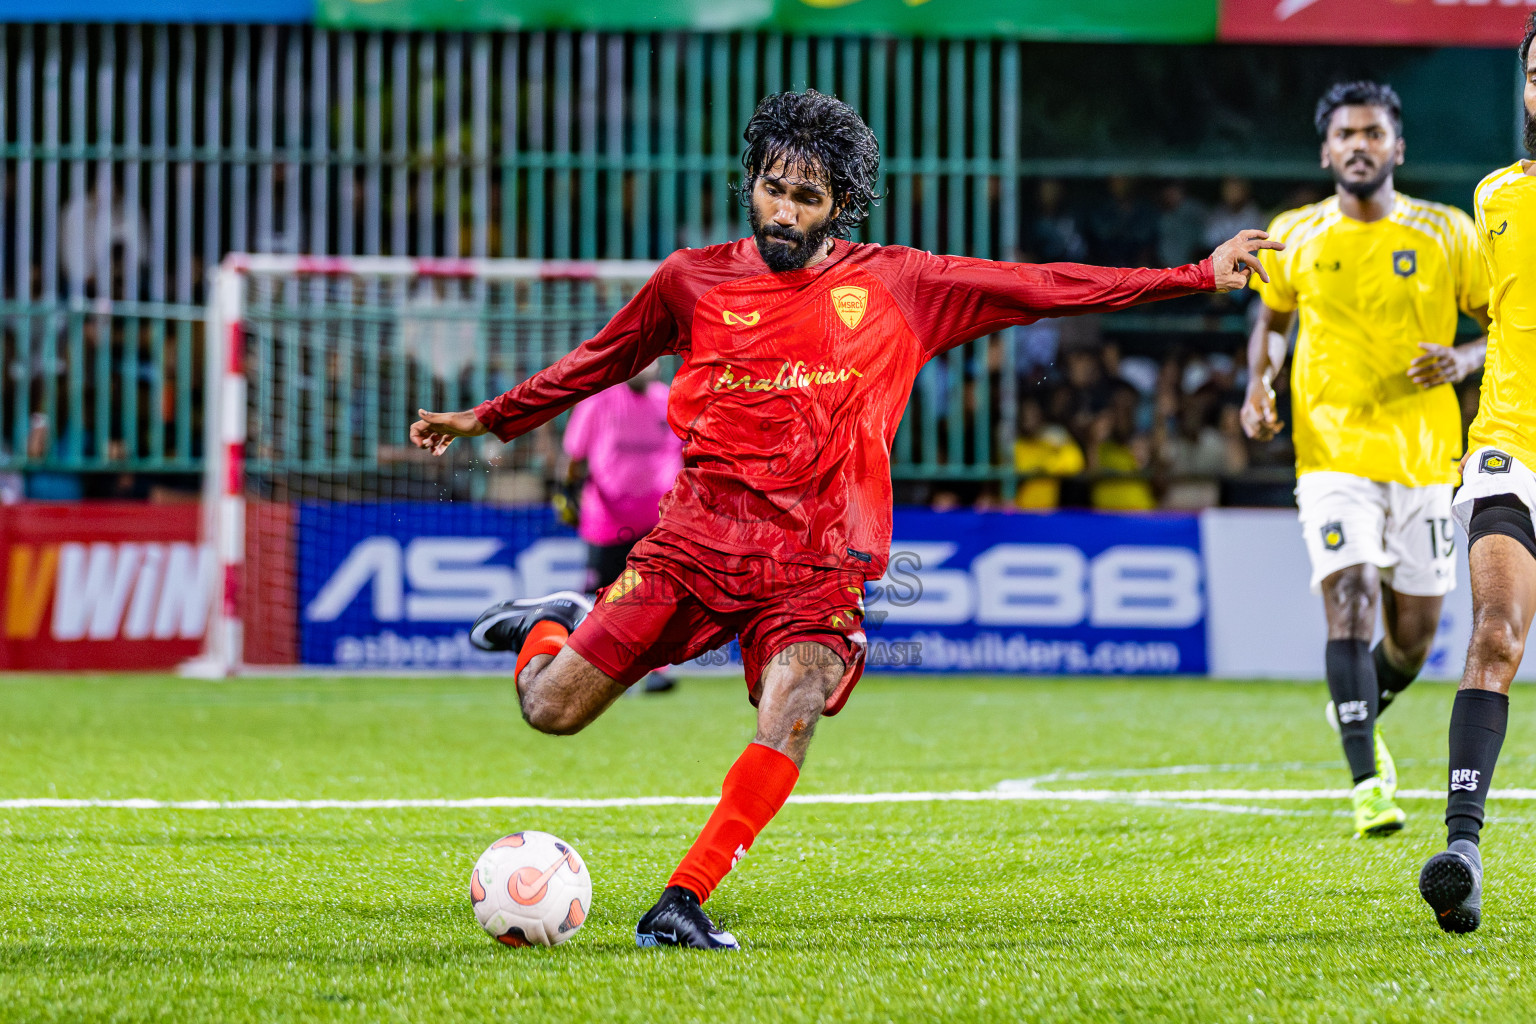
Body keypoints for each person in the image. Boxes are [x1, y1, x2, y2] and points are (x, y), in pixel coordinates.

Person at [410, 89, 1278, 950]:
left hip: (819, 561)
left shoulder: (902, 284)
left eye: (807, 197)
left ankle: (682, 900)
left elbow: (1043, 287)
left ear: (843, 205)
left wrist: (1194, 276)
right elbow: (597, 361)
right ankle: (558, 621)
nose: (784, 213)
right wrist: (489, 418)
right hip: (694, 542)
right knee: (549, 709)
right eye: (772, 190)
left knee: (796, 706)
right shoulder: (690, 280)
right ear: (751, 184)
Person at [1241, 81, 1489, 839]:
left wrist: (1462, 359)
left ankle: (1355, 703)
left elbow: (1508, 324)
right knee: (1348, 596)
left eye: (1373, 133)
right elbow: (1272, 323)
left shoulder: (1448, 232)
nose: (1359, 145)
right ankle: (1366, 783)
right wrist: (1259, 384)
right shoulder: (1295, 233)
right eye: (1345, 134)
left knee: (1413, 642)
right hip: (1331, 454)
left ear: (1397, 147)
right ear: (1326, 151)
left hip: (1425, 458)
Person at [1416, 14, 1536, 934]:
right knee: (1495, 633)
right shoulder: (1496, 197)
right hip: (1511, 447)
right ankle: (1463, 849)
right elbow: (1499, 322)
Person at [558, 360, 684, 693]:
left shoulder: (670, 400)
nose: (644, 369)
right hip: (607, 518)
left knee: (653, 594)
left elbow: (687, 452)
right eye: (639, 362)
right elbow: (573, 455)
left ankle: (656, 670)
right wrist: (564, 492)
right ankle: (582, 666)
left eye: (651, 362)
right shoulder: (599, 401)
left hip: (657, 519)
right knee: (602, 593)